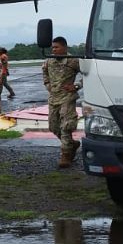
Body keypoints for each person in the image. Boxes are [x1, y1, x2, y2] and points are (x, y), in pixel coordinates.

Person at [42, 37, 83, 168]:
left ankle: (65, 155)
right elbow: (44, 72)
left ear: (65, 47)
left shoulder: (73, 60)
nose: (53, 50)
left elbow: (88, 74)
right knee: (53, 127)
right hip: (54, 98)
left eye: (57, 47)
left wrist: (76, 86)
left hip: (67, 98)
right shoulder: (49, 60)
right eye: (52, 47)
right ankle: (72, 144)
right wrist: (47, 84)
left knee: (66, 126)